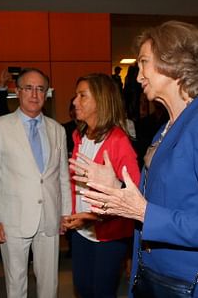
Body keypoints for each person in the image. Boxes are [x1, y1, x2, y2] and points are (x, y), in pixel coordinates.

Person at [71, 21, 198, 297]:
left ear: (175, 64)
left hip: (193, 283)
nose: (138, 75)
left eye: (143, 63)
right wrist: (117, 188)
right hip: (157, 275)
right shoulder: (167, 127)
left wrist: (144, 213)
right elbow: (164, 199)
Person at [0, 68, 71, 298]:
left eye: (40, 89)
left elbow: (62, 177)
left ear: (46, 94)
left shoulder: (57, 130)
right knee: (16, 283)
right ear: (18, 92)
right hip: (13, 219)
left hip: (49, 217)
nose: (34, 94)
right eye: (28, 88)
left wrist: (65, 214)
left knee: (49, 283)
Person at [63, 73, 140, 298]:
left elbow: (132, 194)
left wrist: (92, 217)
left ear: (101, 100)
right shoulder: (80, 135)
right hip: (80, 232)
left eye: (82, 96)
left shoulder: (118, 141)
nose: (75, 101)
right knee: (83, 288)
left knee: (102, 293)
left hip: (108, 235)